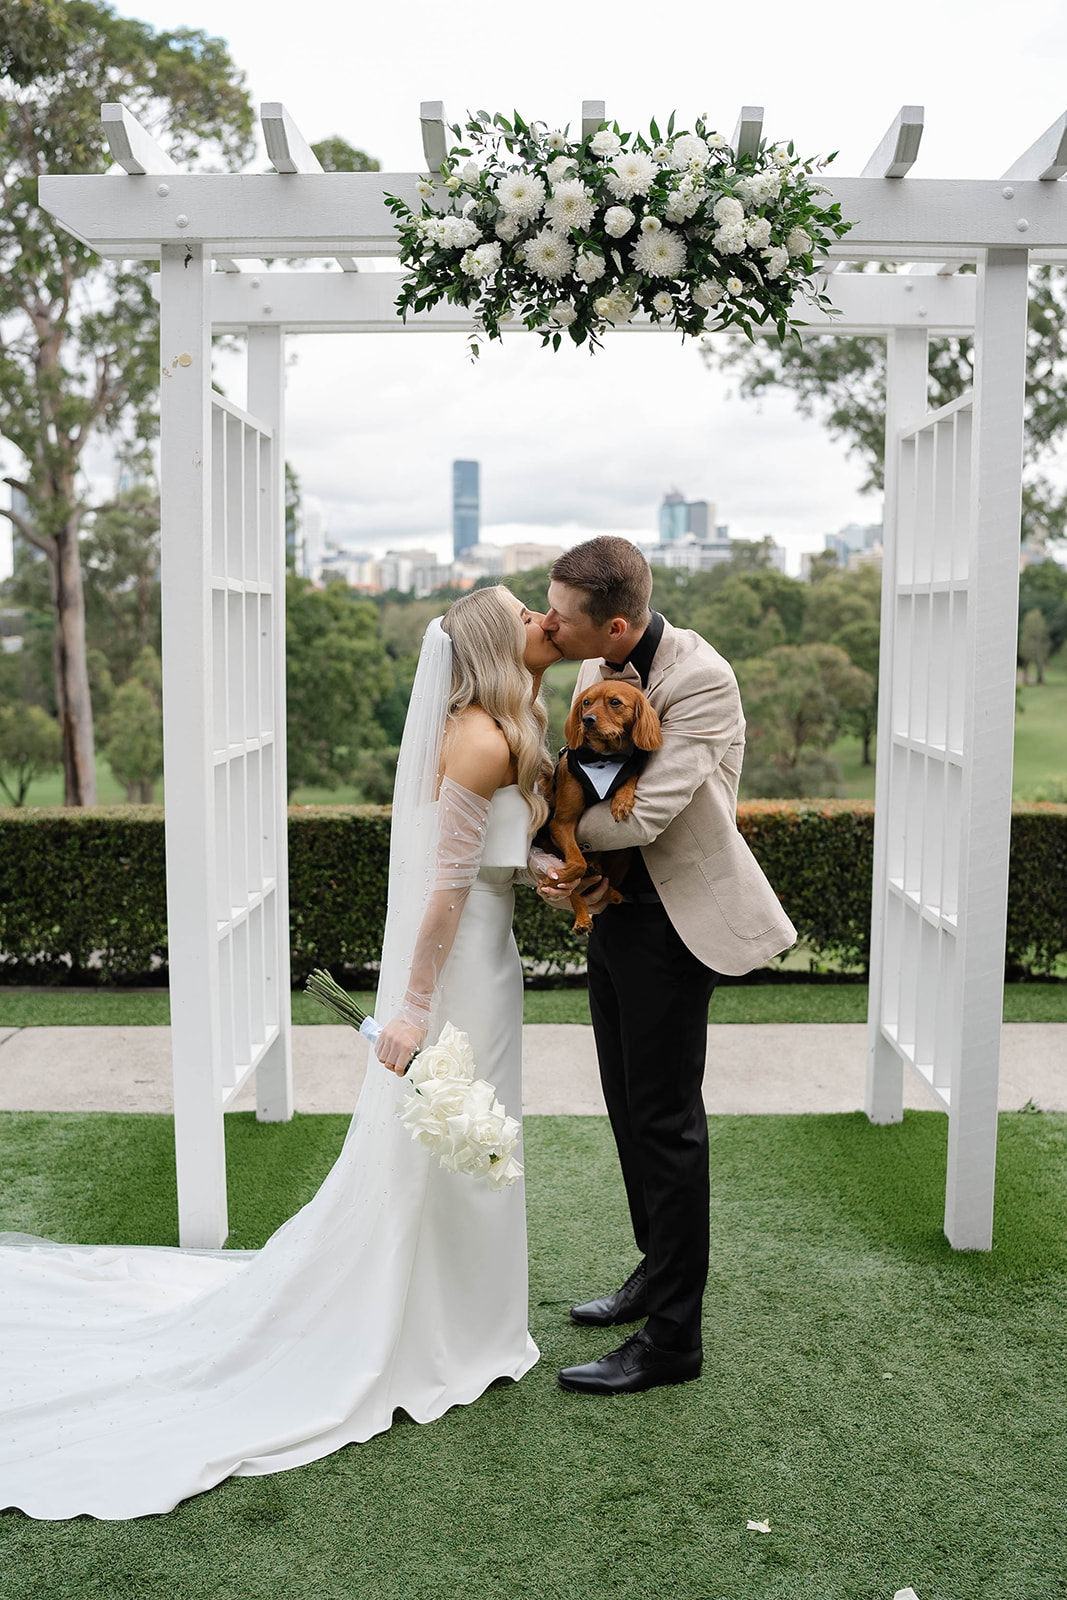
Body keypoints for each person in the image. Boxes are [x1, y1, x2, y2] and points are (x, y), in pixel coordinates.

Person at [0, 585, 559, 1521]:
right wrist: (412, 1009)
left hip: (492, 955)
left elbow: (490, 857)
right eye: (528, 616)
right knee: (449, 1134)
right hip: (457, 968)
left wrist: (534, 864)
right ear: (497, 645)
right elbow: (442, 891)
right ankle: (443, 1328)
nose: (543, 623)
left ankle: (471, 1318)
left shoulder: (517, 717)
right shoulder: (476, 736)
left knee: (474, 1137)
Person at [534, 537, 797, 1396]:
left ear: (611, 624)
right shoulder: (591, 672)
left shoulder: (701, 680)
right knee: (624, 1103)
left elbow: (639, 821)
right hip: (615, 913)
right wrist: (564, 860)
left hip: (678, 923)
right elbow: (580, 776)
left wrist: (538, 839)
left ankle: (674, 1340)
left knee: (666, 1123)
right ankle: (655, 1272)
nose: (546, 624)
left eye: (559, 615)